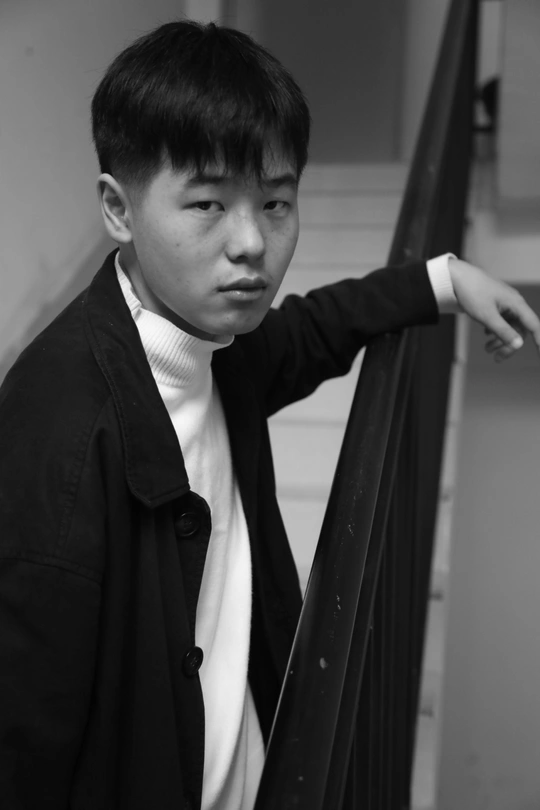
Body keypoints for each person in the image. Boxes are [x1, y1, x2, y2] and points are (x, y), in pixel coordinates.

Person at [0, 20, 538, 810]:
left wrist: (444, 280)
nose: (251, 242)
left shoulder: (213, 341)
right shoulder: (60, 436)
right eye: (208, 203)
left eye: (277, 202)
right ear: (118, 209)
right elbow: (27, 743)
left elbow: (309, 332)